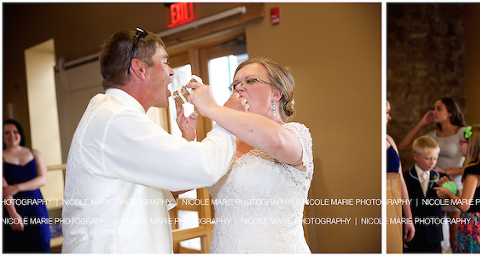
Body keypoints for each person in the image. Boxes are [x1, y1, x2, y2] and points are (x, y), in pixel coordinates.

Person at [62, 28, 236, 253]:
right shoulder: (116, 119)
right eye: (165, 61)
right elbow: (206, 167)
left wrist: (187, 140)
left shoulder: (113, 113)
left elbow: (168, 182)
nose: (172, 72)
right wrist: (227, 118)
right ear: (140, 69)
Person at [184, 57, 313, 253]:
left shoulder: (295, 134)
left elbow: (276, 141)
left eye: (250, 81)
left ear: (276, 94)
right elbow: (183, 181)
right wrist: (187, 140)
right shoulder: (226, 142)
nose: (239, 88)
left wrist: (212, 108)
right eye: (235, 84)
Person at [399, 97, 466, 251]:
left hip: (453, 187)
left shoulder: (464, 131)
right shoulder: (432, 135)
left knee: (454, 238)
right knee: (434, 233)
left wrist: (446, 171)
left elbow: (472, 162)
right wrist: (423, 123)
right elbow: (403, 146)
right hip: (432, 186)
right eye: (434, 108)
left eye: (439, 108)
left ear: (450, 112)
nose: (434, 112)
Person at [434, 125, 480, 253]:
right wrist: (454, 190)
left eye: (462, 142)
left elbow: (464, 205)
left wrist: (448, 193)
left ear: (472, 145)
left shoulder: (472, 170)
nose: (460, 145)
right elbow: (477, 197)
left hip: (477, 224)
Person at [2, 119, 51, 252]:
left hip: (36, 204)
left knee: (42, 238)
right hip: (12, 207)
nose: (11, 135)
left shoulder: (34, 153)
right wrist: (13, 214)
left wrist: (16, 188)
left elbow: (42, 179)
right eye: (6, 132)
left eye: (15, 131)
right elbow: (5, 190)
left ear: (20, 134)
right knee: (18, 246)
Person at [402, 136, 448, 253]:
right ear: (416, 156)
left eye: (435, 158)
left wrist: (447, 192)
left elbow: (449, 202)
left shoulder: (441, 178)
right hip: (414, 233)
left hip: (434, 234)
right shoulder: (405, 178)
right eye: (428, 158)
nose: (432, 162)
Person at [386, 100, 416, 252]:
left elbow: (401, 181)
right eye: (386, 112)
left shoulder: (389, 139)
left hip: (396, 206)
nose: (389, 117)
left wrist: (409, 218)